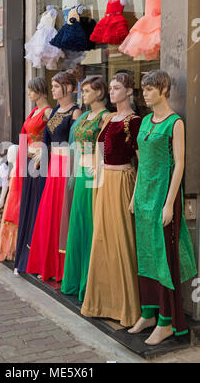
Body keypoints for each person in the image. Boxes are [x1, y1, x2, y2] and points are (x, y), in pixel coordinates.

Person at [129, 70, 197, 345]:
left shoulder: (175, 122)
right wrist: (134, 195)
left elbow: (179, 164)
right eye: (143, 89)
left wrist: (170, 204)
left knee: (163, 258)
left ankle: (167, 320)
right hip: (143, 196)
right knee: (144, 253)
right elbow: (142, 162)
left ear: (163, 89)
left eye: (149, 89)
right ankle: (148, 311)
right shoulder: (145, 121)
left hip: (163, 197)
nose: (144, 94)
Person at [81, 72, 142, 327]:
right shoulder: (109, 119)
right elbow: (99, 152)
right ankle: (101, 302)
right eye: (112, 88)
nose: (113, 92)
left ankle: (126, 307)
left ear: (129, 91)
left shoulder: (134, 121)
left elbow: (142, 162)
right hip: (104, 182)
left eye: (117, 88)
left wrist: (136, 194)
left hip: (122, 183)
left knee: (121, 241)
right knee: (102, 240)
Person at [27, 70, 81, 282]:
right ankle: (48, 264)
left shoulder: (75, 113)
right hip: (52, 165)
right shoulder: (57, 110)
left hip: (65, 164)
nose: (53, 90)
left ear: (68, 88)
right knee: (49, 213)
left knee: (61, 214)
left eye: (57, 86)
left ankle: (61, 268)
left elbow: (75, 145)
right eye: (53, 86)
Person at [61, 75, 110, 302]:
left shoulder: (104, 117)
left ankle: (89, 283)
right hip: (81, 172)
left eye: (88, 91)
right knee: (78, 222)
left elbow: (105, 149)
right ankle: (75, 279)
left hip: (94, 174)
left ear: (100, 93)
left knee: (91, 223)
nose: (84, 95)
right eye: (83, 91)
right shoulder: (86, 116)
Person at [14, 78, 52, 273]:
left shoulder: (47, 112)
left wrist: (43, 155)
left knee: (36, 204)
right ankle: (26, 253)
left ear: (39, 91)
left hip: (39, 162)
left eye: (31, 90)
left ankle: (34, 254)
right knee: (29, 204)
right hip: (29, 159)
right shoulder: (34, 111)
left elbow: (52, 139)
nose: (29, 94)